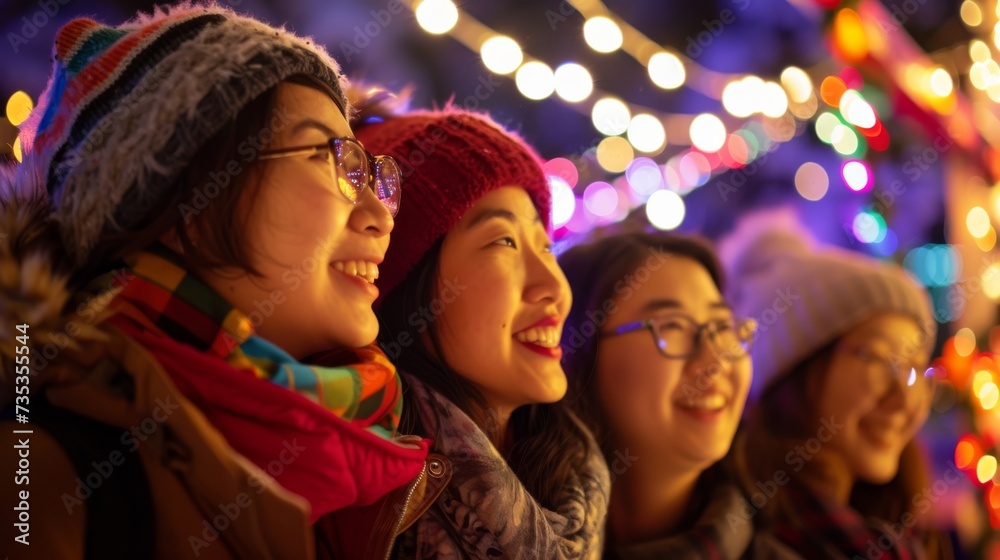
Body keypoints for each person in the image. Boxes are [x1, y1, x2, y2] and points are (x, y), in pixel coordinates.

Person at [0, 5, 438, 558]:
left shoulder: (378, 459)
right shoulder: (42, 468)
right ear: (185, 197)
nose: (380, 214)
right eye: (330, 160)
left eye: (367, 172)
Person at [354, 99, 610, 558]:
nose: (554, 286)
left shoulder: (578, 479)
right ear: (405, 281)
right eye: (504, 241)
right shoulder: (358, 508)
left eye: (546, 247)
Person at [558, 231, 797, 559]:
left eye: (722, 326)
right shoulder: (504, 535)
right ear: (579, 353)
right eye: (672, 327)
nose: (715, 362)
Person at [722, 213, 947, 560]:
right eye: (877, 358)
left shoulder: (891, 533)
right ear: (795, 372)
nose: (905, 399)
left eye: (916, 370)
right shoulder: (738, 539)